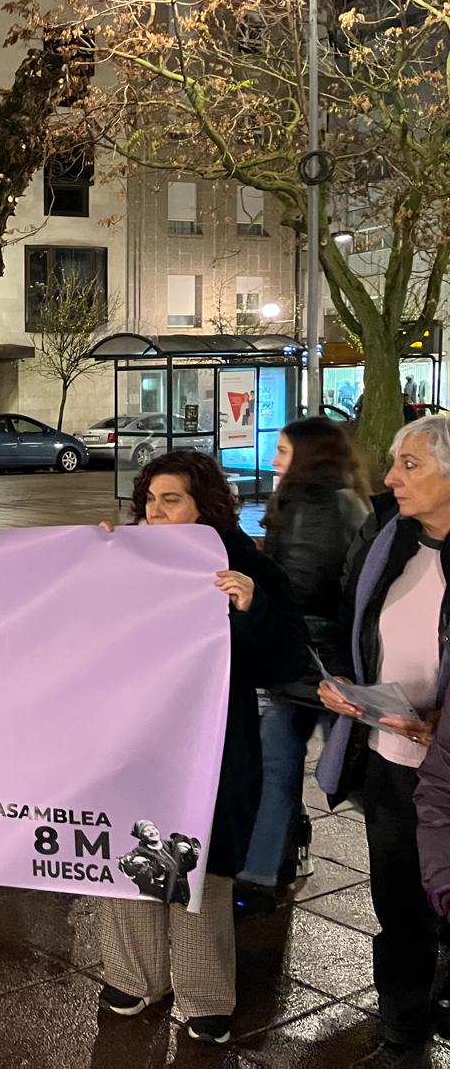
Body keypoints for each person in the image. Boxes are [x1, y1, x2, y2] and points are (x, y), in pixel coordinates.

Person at [96, 450, 305, 1046]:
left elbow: (288, 657)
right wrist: (95, 561)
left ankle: (205, 993)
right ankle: (133, 977)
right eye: (150, 501)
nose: (157, 513)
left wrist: (252, 607)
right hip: (131, 737)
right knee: (127, 850)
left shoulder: (245, 564)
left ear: (204, 504)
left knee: (200, 860)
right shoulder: (129, 558)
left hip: (211, 744)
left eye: (173, 500)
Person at [320, 415, 450, 1068]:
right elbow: (355, 630)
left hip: (446, 771)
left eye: (411, 465)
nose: (391, 477)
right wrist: (344, 684)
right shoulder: (388, 540)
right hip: (391, 765)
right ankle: (404, 1028)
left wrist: (444, 724)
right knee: (399, 907)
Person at [236, 418, 370, 912]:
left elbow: (304, 585)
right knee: (292, 761)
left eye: (284, 450)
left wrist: (257, 585)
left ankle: (262, 871)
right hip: (323, 658)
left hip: (310, 661)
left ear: (307, 456)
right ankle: (266, 866)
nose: (274, 460)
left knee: (300, 766)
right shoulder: (338, 498)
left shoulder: (313, 504)